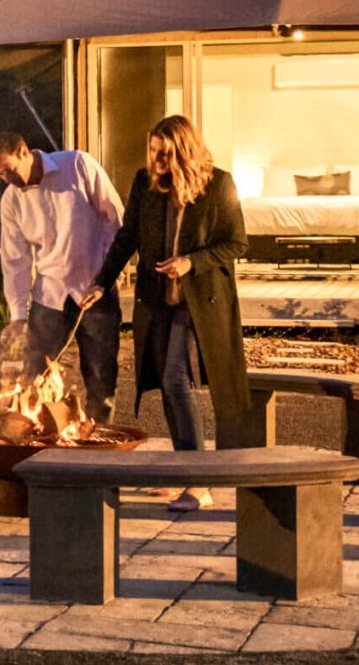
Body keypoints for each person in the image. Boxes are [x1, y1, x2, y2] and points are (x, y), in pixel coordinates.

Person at [81, 114, 250, 511]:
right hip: (158, 299)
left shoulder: (219, 184)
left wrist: (192, 261)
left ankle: (199, 481)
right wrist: (102, 281)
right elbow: (127, 237)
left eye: (165, 152)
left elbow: (237, 242)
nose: (156, 158)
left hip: (200, 300)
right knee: (166, 386)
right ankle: (183, 472)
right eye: (153, 149)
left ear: (184, 151)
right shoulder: (145, 183)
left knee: (176, 377)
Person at [0, 131, 124, 423]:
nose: (6, 178)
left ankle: (99, 440)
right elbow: (15, 261)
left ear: (24, 151)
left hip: (94, 288)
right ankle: (37, 437)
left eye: (8, 169)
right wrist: (18, 315)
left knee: (101, 376)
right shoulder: (11, 200)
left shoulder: (77, 166)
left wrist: (111, 271)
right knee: (34, 375)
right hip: (49, 295)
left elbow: (114, 217)